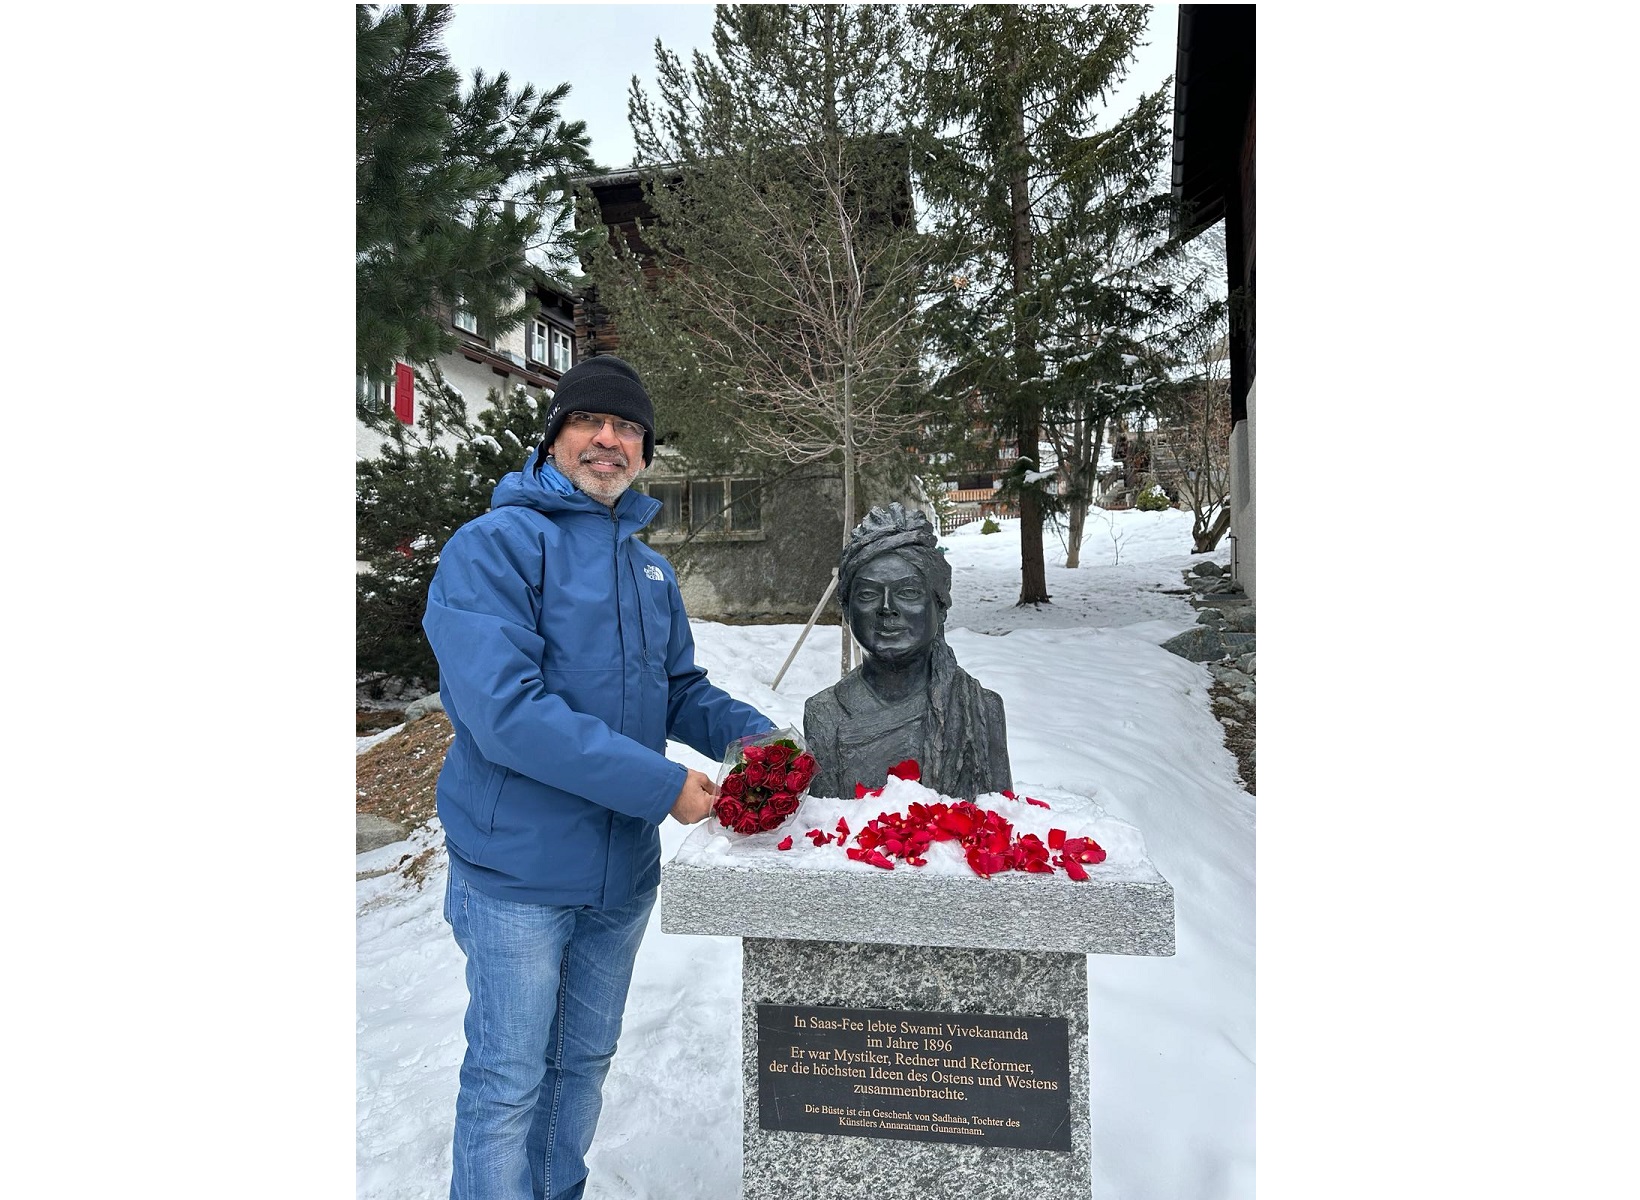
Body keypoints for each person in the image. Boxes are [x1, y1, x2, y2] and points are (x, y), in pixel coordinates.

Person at [423, 354, 775, 1200]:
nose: (609, 440)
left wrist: (757, 740)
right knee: (508, 1081)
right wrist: (664, 787)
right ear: (556, 437)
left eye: (628, 428)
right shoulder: (493, 548)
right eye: (591, 421)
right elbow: (507, 712)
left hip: (618, 875)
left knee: (580, 1064)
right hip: (519, 873)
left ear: (646, 455)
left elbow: (679, 687)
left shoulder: (647, 570)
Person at [803, 503, 1011, 801]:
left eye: (908, 593)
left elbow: (1001, 823)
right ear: (848, 611)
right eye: (868, 594)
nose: (887, 608)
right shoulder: (824, 712)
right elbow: (823, 830)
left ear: (939, 607)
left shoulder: (980, 708)